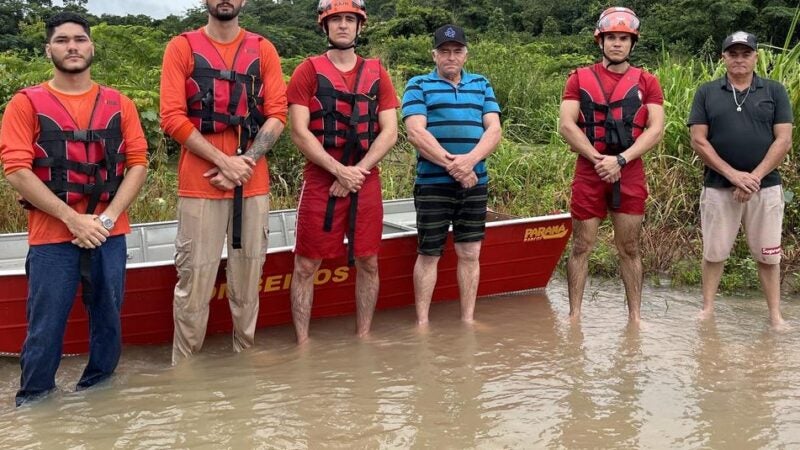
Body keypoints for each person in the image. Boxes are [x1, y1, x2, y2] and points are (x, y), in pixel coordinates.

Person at [0, 12, 148, 406]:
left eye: (79, 39)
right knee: (44, 328)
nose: (72, 47)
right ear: (48, 48)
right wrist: (71, 219)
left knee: (108, 321)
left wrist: (106, 218)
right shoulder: (25, 104)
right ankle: (35, 403)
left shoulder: (119, 103)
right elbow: (16, 169)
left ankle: (99, 401)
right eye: (63, 40)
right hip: (51, 238)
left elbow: (137, 163)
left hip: (108, 233)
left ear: (91, 47)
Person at [160, 0, 287, 363]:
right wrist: (223, 162)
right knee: (194, 284)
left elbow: (277, 113)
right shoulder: (181, 47)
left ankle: (245, 360)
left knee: (247, 281)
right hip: (200, 184)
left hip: (253, 183)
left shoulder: (263, 49)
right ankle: (184, 368)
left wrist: (245, 161)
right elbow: (171, 117)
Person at [287, 0, 398, 344]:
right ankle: (303, 344)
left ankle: (363, 336)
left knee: (368, 262)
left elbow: (390, 131)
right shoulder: (307, 71)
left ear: (360, 26)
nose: (343, 26)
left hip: (365, 177)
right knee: (306, 266)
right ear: (325, 26)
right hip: (322, 177)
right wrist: (338, 171)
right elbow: (299, 131)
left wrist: (356, 173)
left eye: (350, 19)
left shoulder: (377, 73)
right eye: (336, 20)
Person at [558, 7, 665, 324]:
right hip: (590, 169)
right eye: (611, 38)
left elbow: (655, 128)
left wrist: (621, 159)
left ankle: (635, 318)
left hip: (628, 169)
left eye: (623, 38)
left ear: (632, 43)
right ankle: (574, 316)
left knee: (629, 247)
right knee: (581, 245)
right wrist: (598, 159)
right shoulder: (578, 78)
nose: (617, 44)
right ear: (600, 41)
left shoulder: (647, 82)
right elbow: (567, 124)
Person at [688, 31, 793, 328]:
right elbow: (699, 140)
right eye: (732, 53)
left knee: (768, 255)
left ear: (755, 57)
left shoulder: (774, 91)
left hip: (766, 186)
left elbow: (783, 140)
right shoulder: (707, 92)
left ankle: (775, 315)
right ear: (723, 57)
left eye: (745, 53)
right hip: (718, 186)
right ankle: (707, 309)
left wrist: (754, 178)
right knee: (714, 252)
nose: (739, 59)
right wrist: (733, 175)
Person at [402, 24, 502, 325]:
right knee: (429, 252)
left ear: (465, 54)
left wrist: (469, 162)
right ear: (434, 55)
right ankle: (422, 323)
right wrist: (455, 167)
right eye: (444, 52)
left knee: (470, 252)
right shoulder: (418, 85)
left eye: (457, 51)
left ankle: (468, 320)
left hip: (475, 182)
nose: (451, 57)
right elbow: (416, 132)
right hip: (433, 183)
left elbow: (494, 130)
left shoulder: (482, 84)